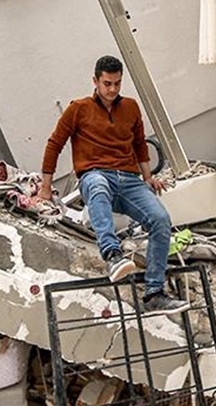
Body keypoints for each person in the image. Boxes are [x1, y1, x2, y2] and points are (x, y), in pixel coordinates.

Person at [38, 55, 189, 315]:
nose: (112, 89)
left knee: (161, 219)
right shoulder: (78, 108)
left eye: (117, 84)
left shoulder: (131, 107)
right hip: (95, 174)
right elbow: (55, 144)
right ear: (95, 81)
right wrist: (45, 187)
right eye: (107, 83)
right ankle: (112, 255)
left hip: (129, 180)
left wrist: (147, 177)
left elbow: (140, 144)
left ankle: (154, 293)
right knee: (96, 185)